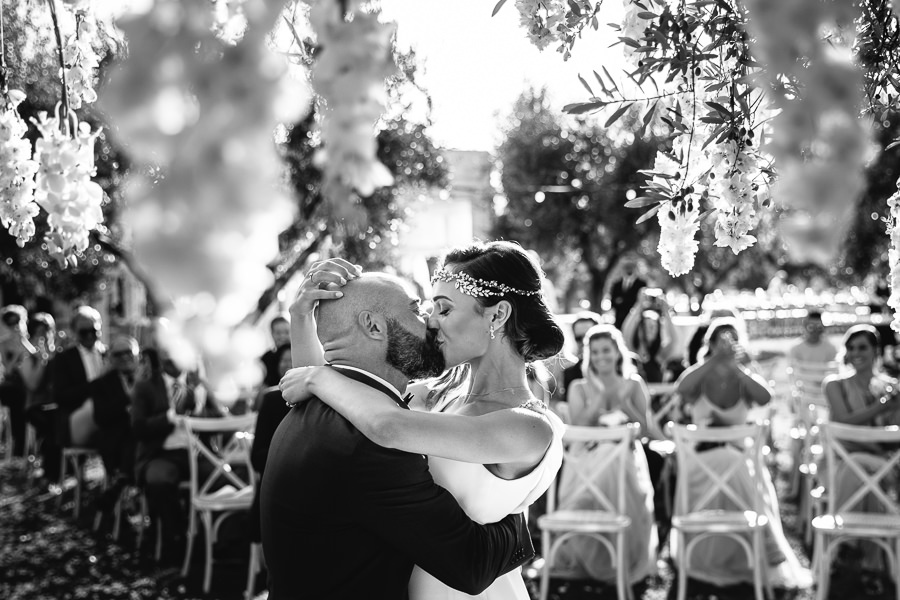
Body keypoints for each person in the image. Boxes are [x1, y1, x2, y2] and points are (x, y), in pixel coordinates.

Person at [273, 240, 566, 600]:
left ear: (497, 315)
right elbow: (335, 400)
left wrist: (320, 377)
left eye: (443, 309)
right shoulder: (435, 395)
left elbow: (387, 426)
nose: (429, 321)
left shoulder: (528, 426)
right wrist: (302, 317)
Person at [673, 318, 811, 589]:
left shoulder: (743, 376)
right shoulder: (700, 375)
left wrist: (736, 366)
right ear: (710, 344)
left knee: (736, 464)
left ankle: (760, 555)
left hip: (739, 458)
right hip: (702, 460)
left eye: (732, 340)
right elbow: (682, 389)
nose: (726, 345)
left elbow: (765, 398)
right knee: (732, 465)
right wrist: (715, 360)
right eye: (720, 340)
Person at [553, 324, 659, 585]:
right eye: (596, 352)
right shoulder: (579, 387)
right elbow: (579, 427)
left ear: (617, 352)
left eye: (606, 351)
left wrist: (624, 403)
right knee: (606, 464)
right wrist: (599, 399)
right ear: (589, 354)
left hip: (626, 458)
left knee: (618, 461)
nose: (601, 357)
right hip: (587, 460)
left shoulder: (634, 383)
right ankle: (590, 556)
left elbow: (644, 429)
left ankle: (622, 558)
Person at [823, 325, 900, 585]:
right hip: (842, 462)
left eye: (863, 347)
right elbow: (844, 423)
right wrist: (881, 408)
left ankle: (847, 549)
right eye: (851, 347)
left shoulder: (891, 387)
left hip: (884, 463)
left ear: (875, 351)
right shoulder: (835, 385)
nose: (856, 353)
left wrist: (893, 408)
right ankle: (869, 564)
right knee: (859, 467)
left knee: (865, 468)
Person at [131, 344, 221, 560]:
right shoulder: (145, 386)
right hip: (162, 454)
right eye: (167, 354)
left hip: (198, 455)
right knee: (159, 480)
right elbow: (138, 428)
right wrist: (172, 416)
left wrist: (203, 398)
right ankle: (174, 538)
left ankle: (219, 541)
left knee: (230, 478)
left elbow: (220, 420)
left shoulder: (197, 384)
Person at [248, 342, 292, 544]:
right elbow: (257, 457)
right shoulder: (272, 399)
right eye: (284, 360)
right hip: (276, 485)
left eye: (293, 359)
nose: (289, 364)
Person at [90, 335, 141, 509]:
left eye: (129, 352)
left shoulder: (149, 379)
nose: (125, 357)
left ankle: (121, 483)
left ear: (137, 354)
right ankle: (124, 482)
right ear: (111, 359)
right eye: (119, 354)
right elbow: (101, 417)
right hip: (117, 440)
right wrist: (127, 399)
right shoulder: (101, 384)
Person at [52, 306, 106, 448]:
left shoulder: (108, 355)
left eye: (93, 331)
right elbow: (60, 395)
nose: (89, 335)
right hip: (78, 416)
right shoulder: (64, 359)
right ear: (74, 332)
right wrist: (94, 387)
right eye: (84, 332)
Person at [21, 312, 61, 480]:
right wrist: (42, 361)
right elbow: (33, 384)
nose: (44, 337)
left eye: (47, 332)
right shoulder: (28, 358)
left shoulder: (59, 356)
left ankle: (61, 471)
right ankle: (51, 474)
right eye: (39, 333)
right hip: (35, 407)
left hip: (56, 406)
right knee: (52, 430)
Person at [622, 288, 677, 383]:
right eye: (645, 326)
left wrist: (666, 311)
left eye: (653, 327)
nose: (649, 330)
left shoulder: (660, 355)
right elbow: (625, 330)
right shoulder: (633, 352)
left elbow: (674, 340)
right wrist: (638, 305)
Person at [0, 305, 34, 457]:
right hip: (12, 385)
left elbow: (35, 359)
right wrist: (16, 353)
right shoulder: (3, 343)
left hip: (30, 384)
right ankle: (18, 446)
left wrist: (23, 343)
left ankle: (34, 446)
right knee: (17, 401)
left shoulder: (29, 340)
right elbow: (7, 370)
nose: (14, 325)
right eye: (10, 322)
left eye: (17, 321)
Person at [608, 255, 646, 330]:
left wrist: (622, 301)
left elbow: (639, 302)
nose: (628, 269)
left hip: (634, 321)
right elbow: (613, 302)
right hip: (619, 321)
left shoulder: (641, 284)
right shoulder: (616, 284)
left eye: (630, 266)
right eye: (626, 266)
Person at [259, 315, 290, 388]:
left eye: (286, 332)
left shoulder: (298, 354)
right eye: (278, 333)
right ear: (272, 334)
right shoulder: (266, 357)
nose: (282, 336)